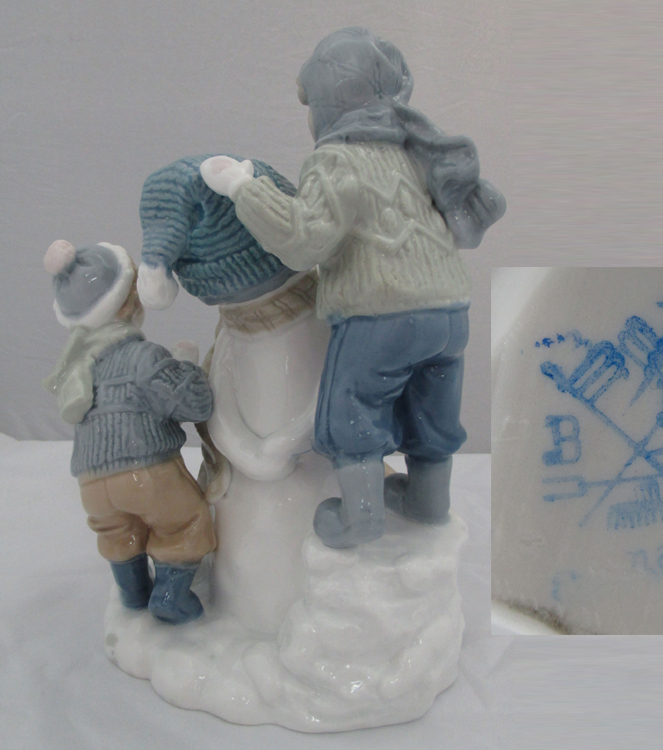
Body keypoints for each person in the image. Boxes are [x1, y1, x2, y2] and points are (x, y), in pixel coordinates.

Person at [201, 27, 505, 548]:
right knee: (432, 410)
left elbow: (302, 241)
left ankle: (360, 520)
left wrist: (244, 189)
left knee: (353, 411)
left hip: (381, 314)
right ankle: (429, 504)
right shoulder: (414, 153)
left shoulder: (336, 160)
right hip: (450, 314)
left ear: (326, 103)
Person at [43, 239, 216, 623]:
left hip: (91, 483)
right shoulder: (142, 357)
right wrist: (186, 365)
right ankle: (169, 598)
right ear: (127, 303)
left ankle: (134, 595)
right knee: (185, 522)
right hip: (147, 472)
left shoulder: (79, 369)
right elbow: (196, 405)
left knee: (117, 534)